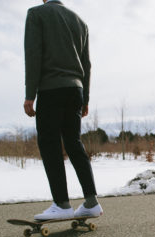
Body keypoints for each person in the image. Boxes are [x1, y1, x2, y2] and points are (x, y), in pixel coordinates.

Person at [24, 0, 103, 221]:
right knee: (73, 142)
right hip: (75, 90)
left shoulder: (36, 14)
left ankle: (61, 203)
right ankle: (91, 202)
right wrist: (85, 98)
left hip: (51, 88)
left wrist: (30, 94)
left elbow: (33, 55)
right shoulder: (80, 22)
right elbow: (86, 64)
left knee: (49, 142)